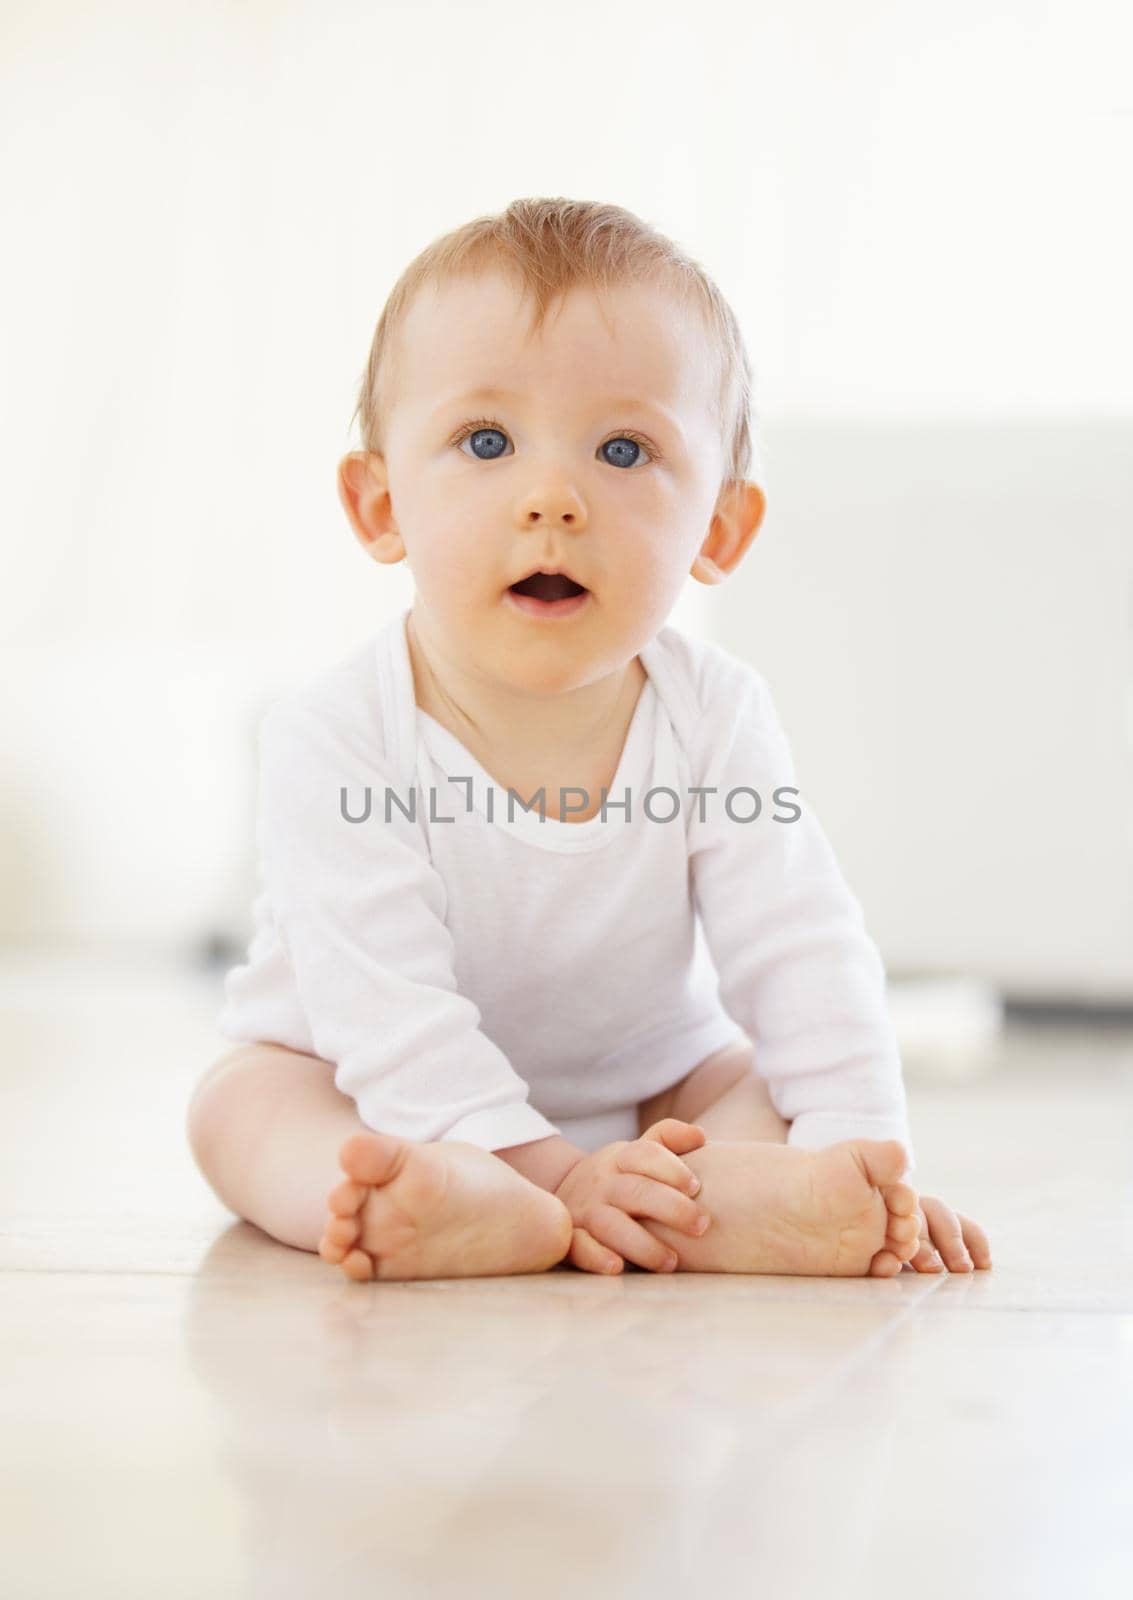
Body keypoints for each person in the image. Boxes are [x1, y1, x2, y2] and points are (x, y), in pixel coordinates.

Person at [187, 197, 991, 1285]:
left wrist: (858, 1153)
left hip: (652, 1092)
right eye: (485, 441)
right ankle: (479, 1199)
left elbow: (801, 946)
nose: (552, 499)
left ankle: (723, 1202)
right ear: (379, 504)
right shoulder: (335, 736)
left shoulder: (714, 715)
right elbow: (383, 1007)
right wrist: (543, 1168)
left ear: (716, 528)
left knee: (750, 1082)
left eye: (623, 448)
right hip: (373, 1084)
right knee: (242, 1108)